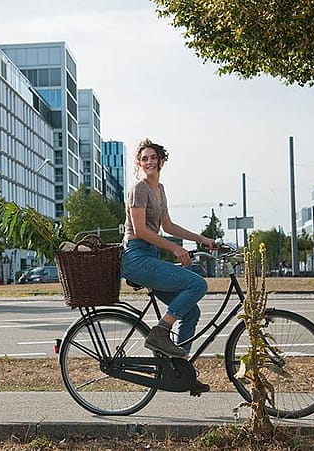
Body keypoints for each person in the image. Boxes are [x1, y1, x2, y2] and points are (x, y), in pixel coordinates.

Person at [120, 138, 215, 394]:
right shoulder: (139, 189)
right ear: (139, 164)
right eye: (144, 159)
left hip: (150, 255)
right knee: (197, 284)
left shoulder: (159, 189)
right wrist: (174, 248)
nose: (149, 162)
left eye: (154, 158)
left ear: (162, 161)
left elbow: (168, 226)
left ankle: (180, 371)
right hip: (137, 258)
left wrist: (202, 239)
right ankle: (160, 332)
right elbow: (139, 230)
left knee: (191, 312)